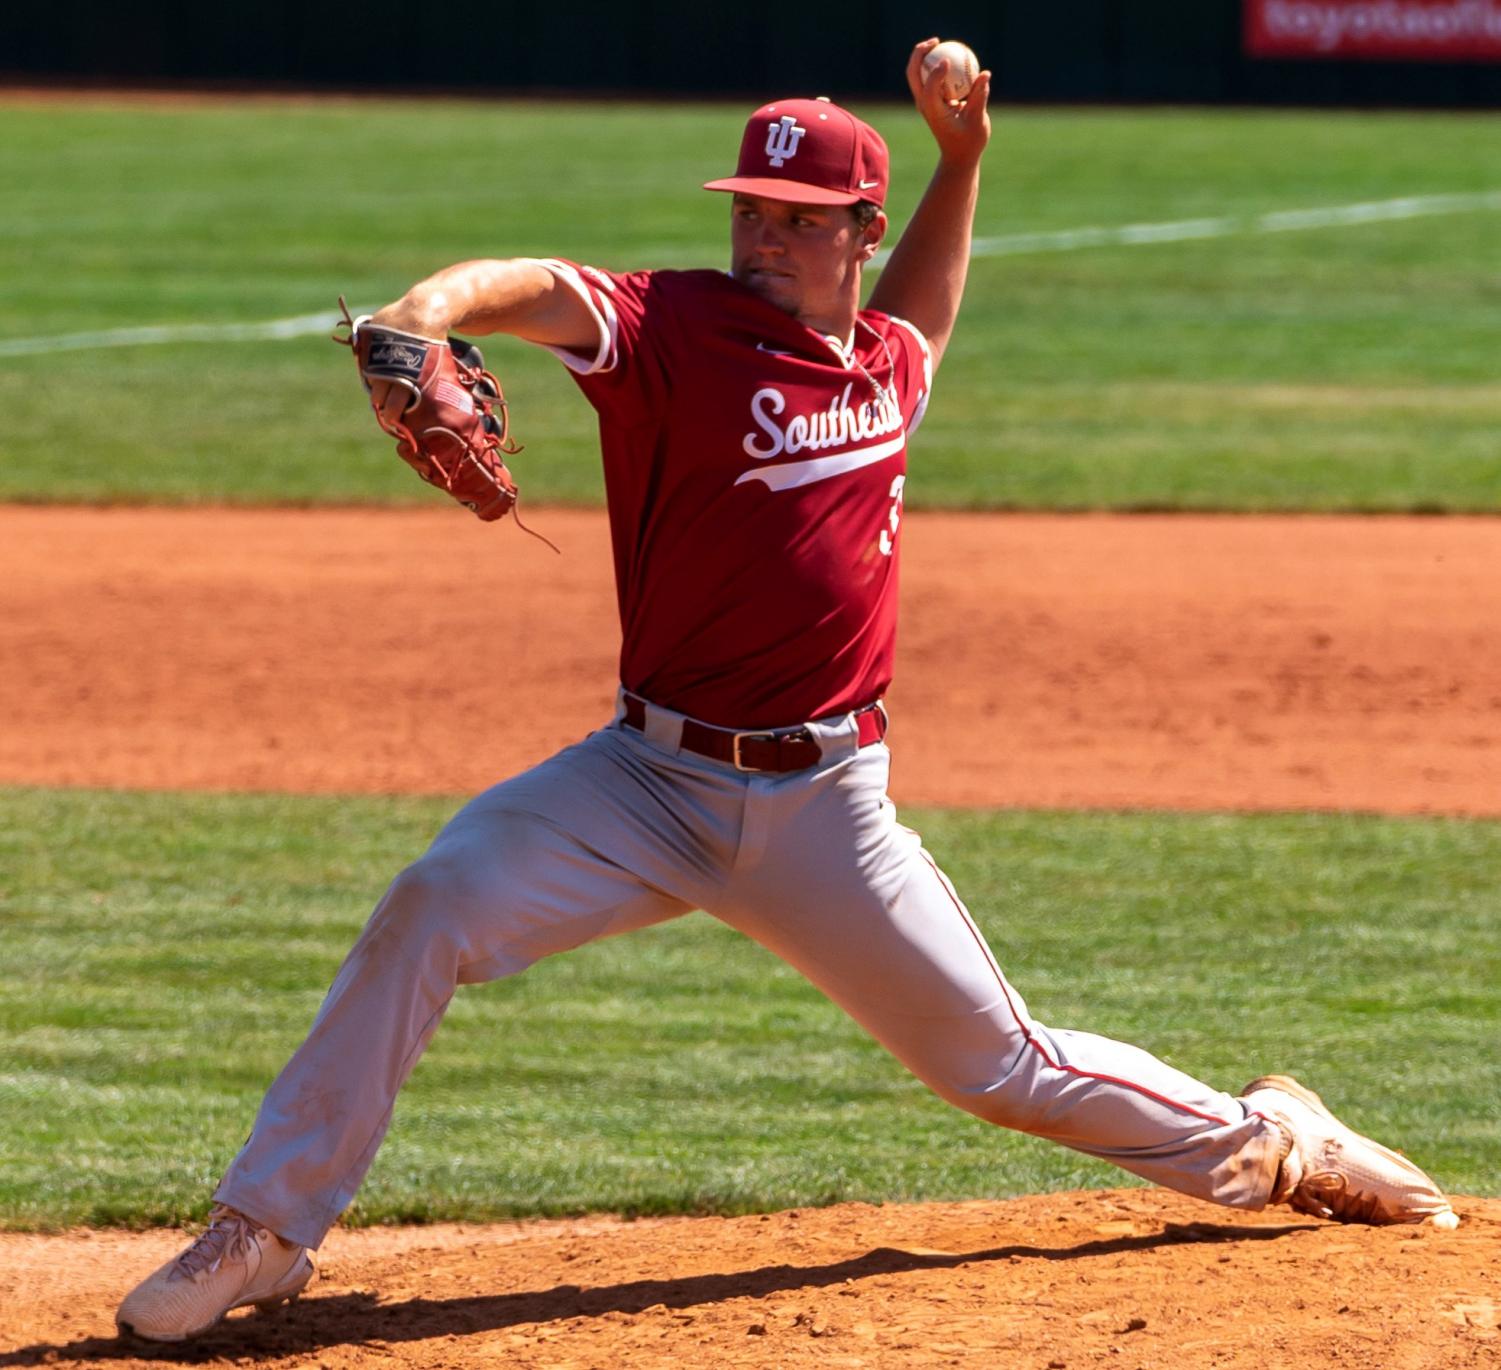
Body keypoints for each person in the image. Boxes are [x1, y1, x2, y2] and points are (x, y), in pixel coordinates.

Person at [116, 39, 1455, 1344]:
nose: (764, 236)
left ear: (859, 232)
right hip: (640, 784)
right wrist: (426, 312)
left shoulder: (885, 369)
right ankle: (262, 1228)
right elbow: (535, 285)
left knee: (1001, 1067)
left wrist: (961, 159)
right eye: (752, 209)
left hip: (827, 811)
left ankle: (1275, 1140)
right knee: (432, 903)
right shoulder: (674, 328)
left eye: (801, 218)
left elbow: (924, 308)